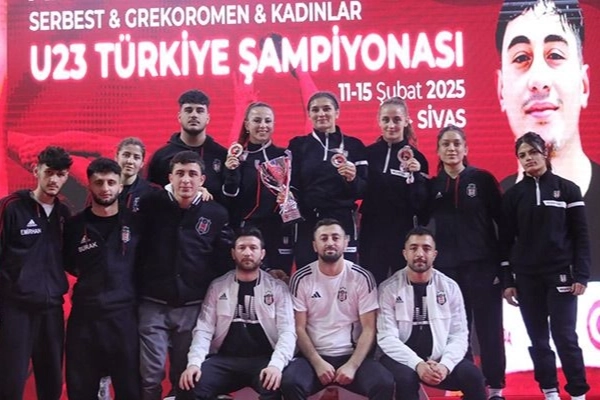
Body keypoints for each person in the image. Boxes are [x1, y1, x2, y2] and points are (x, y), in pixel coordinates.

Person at [495, 0, 600, 280]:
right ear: (501, 90)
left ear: (584, 84)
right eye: (521, 58)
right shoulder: (497, 201)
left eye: (555, 55)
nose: (538, 80)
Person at [137, 150, 233, 400]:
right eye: (180, 173)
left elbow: (223, 259)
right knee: (150, 374)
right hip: (152, 303)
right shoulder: (150, 204)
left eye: (192, 174)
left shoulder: (216, 213)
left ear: (202, 179)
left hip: (193, 306)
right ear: (170, 177)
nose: (186, 180)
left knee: (184, 376)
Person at [501, 132, 590, 400]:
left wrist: (581, 275)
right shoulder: (513, 195)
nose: (528, 158)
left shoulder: (568, 189)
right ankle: (549, 391)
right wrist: (508, 281)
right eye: (522, 155)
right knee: (538, 339)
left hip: (561, 275)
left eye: (533, 152)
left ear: (545, 153)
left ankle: (577, 393)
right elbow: (504, 241)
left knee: (565, 336)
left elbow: (581, 235)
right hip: (527, 278)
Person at [427, 125, 506, 399]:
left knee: (489, 330)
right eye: (446, 144)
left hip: (483, 268)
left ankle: (495, 389)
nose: (451, 148)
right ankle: (469, 386)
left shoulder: (482, 180)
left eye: (457, 144)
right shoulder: (433, 185)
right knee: (456, 332)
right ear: (438, 151)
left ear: (465, 149)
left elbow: (503, 223)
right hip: (448, 271)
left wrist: (503, 266)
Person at [280, 218, 394, 400]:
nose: (330, 243)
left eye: (335, 237)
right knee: (290, 382)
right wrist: (317, 363)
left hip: (351, 356)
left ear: (346, 242)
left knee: (383, 383)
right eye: (324, 238)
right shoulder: (301, 278)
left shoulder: (362, 277)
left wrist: (352, 365)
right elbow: (298, 328)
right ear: (314, 245)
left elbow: (369, 328)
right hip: (312, 357)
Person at [177, 227, 296, 399]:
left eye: (253, 248)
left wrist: (276, 365)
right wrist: (194, 364)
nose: (247, 253)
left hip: (264, 359)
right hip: (225, 360)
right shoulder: (218, 286)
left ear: (262, 254)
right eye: (242, 248)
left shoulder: (277, 288)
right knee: (190, 385)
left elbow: (287, 332)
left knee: (274, 385)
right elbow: (204, 329)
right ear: (233, 253)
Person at [377, 226, 487, 400]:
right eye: (413, 248)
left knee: (474, 377)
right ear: (405, 254)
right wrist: (417, 364)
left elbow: (459, 335)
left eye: (426, 248)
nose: (420, 254)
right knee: (405, 379)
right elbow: (386, 337)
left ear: (435, 254)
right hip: (401, 359)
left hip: (439, 358)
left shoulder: (450, 287)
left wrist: (445, 365)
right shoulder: (388, 289)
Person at [63, 158, 141, 399]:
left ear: (120, 186)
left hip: (123, 318)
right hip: (84, 319)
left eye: (111, 182)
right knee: (80, 390)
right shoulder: (75, 226)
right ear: (89, 185)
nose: (105, 188)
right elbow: (69, 263)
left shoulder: (136, 223)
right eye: (99, 182)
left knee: (129, 390)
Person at [0, 146, 72, 400]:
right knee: (10, 382)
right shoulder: (10, 207)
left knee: (51, 383)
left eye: (60, 174)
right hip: (15, 309)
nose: (54, 180)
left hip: (51, 309)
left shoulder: (64, 213)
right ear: (36, 170)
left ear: (66, 177)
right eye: (49, 172)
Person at [288, 92, 368, 268]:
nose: (321, 114)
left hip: (342, 219)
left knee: (345, 275)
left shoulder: (354, 145)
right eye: (315, 110)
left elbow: (364, 190)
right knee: (307, 275)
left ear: (337, 112)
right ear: (309, 114)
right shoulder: (298, 145)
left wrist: (353, 179)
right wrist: (289, 196)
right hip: (308, 221)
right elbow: (292, 184)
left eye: (326, 109)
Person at [359, 97, 429, 284]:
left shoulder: (417, 158)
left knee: (403, 286)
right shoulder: (367, 153)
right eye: (386, 120)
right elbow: (359, 190)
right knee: (370, 284)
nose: (391, 125)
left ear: (406, 121)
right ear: (379, 121)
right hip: (372, 232)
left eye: (397, 120)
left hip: (402, 232)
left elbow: (421, 204)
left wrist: (417, 177)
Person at [222, 102, 294, 274]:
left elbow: (295, 190)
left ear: (273, 124)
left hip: (279, 229)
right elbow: (229, 196)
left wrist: (290, 198)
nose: (263, 125)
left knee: (279, 279)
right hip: (246, 230)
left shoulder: (285, 155)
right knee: (249, 279)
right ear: (247, 125)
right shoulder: (237, 156)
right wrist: (231, 172)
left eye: (267, 121)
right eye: (257, 120)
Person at [147, 89, 227, 202]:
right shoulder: (161, 157)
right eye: (188, 110)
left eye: (200, 111)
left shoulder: (222, 155)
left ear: (207, 118)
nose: (194, 115)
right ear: (179, 116)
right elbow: (149, 195)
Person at [116, 137, 159, 212]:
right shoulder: (105, 188)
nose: (130, 161)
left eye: (136, 157)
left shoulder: (152, 192)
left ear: (142, 163)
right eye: (126, 155)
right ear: (116, 157)